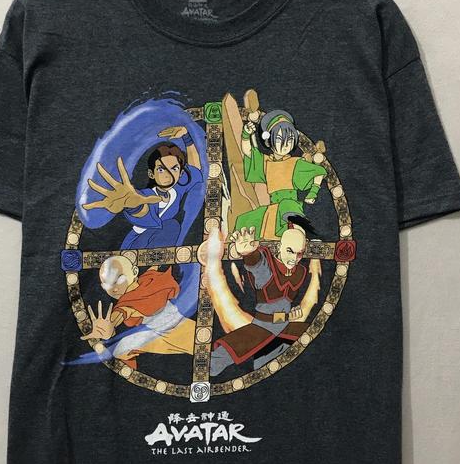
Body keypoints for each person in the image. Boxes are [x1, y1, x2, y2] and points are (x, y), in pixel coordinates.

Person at [210, 225, 313, 377]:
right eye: (290, 251)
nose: (294, 259)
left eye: (300, 253)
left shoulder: (300, 271)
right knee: (222, 357)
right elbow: (258, 267)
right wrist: (249, 254)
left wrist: (289, 316)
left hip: (285, 327)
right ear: (280, 246)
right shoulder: (268, 268)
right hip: (262, 327)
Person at [82, 126, 203, 248]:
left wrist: (186, 137)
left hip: (160, 245)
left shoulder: (177, 189)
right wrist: (134, 207)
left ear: (181, 173)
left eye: (174, 169)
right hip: (136, 245)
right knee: (171, 226)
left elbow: (195, 169)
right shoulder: (146, 196)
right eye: (161, 169)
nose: (168, 175)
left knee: (171, 226)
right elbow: (143, 209)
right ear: (151, 174)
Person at [82, 255, 194, 369]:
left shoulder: (148, 280)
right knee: (121, 349)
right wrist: (109, 325)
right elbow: (120, 313)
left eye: (119, 279)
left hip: (182, 331)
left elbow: (122, 312)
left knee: (198, 344)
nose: (113, 289)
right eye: (107, 285)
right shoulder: (126, 301)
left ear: (135, 271)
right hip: (160, 336)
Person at [235, 110, 327, 239]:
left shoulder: (296, 163)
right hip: (272, 208)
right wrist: (246, 135)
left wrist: (313, 192)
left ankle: (299, 236)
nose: (285, 145)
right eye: (279, 139)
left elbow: (319, 172)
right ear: (269, 141)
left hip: (290, 205)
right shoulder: (266, 162)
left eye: (290, 139)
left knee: (288, 214)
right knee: (244, 220)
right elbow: (248, 152)